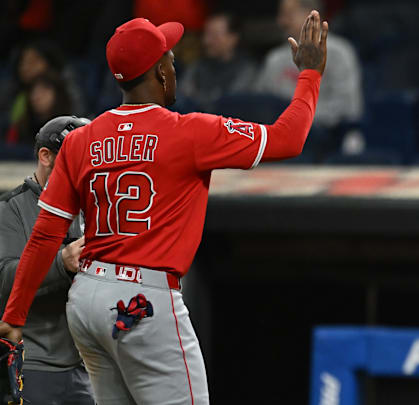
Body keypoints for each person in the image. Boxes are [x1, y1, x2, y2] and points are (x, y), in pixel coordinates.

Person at [0, 11, 327, 404]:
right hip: (141, 299)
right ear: (159, 71)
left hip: (86, 300)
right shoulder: (188, 131)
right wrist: (310, 75)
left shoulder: (80, 140)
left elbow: (44, 235)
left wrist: (13, 316)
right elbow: (288, 139)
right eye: (170, 59)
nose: (174, 65)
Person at [0, 115, 93, 404]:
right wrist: (61, 261)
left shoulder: (94, 207)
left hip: (89, 366)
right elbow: (4, 278)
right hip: (34, 365)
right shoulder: (11, 209)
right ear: (45, 156)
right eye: (76, 162)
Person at [256, 0, 361, 129]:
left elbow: (349, 107)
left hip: (326, 135)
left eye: (288, 15)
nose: (281, 21)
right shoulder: (274, 58)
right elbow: (260, 104)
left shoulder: (339, 52)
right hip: (280, 134)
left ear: (311, 16)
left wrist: (298, 117)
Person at [178, 11, 256, 112]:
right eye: (206, 35)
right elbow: (182, 96)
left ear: (233, 38)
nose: (207, 41)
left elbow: (236, 104)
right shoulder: (197, 66)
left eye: (215, 36)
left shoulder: (247, 70)